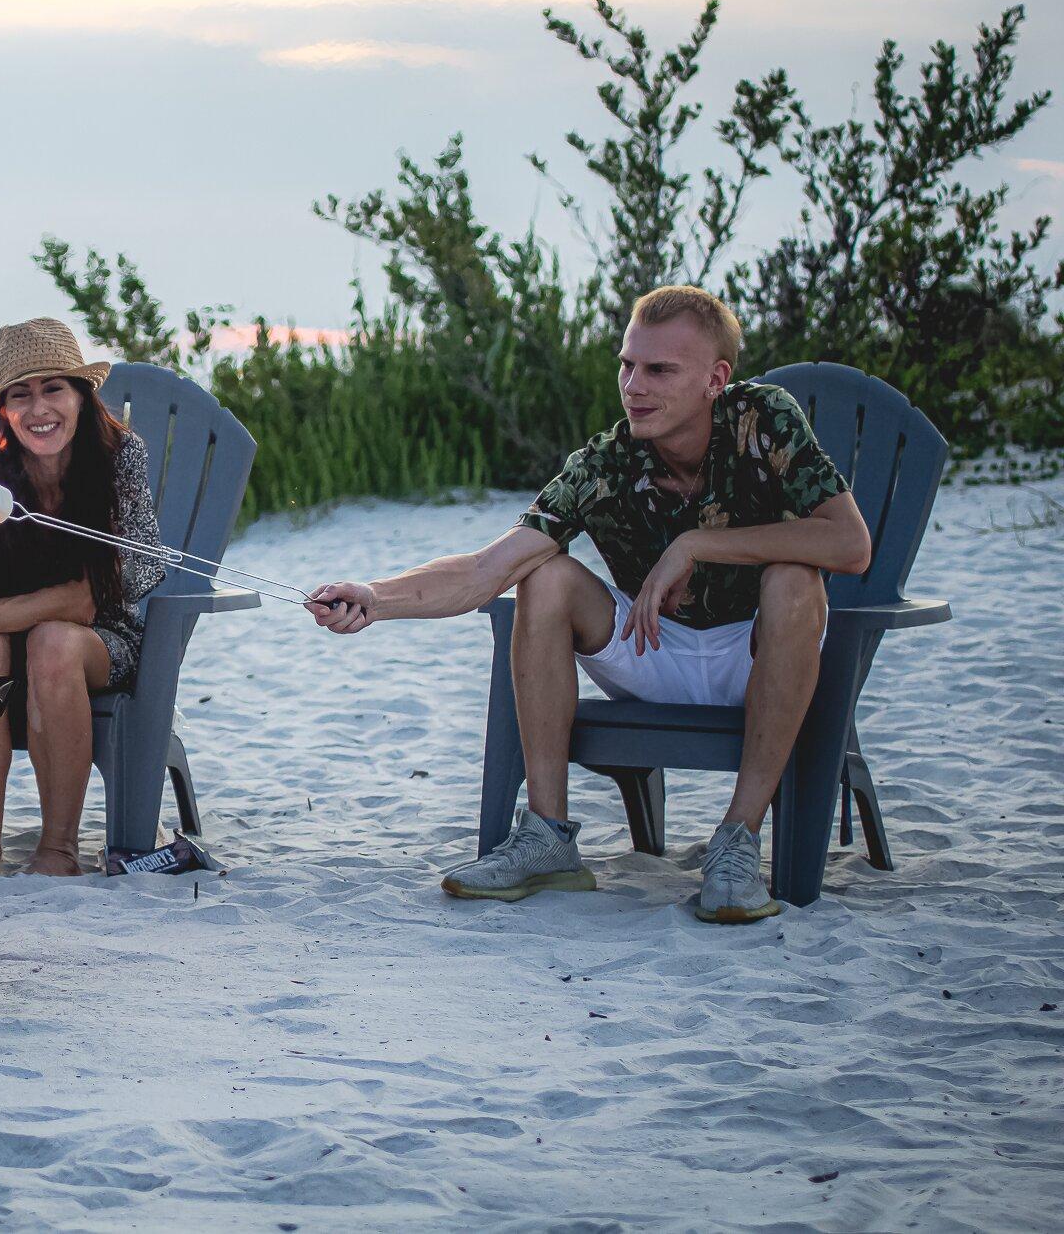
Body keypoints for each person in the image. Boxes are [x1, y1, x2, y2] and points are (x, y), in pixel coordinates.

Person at [307, 286, 872, 923]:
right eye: (628, 365)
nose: (635, 385)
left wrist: (697, 543)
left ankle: (737, 843)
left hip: (758, 653)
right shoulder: (606, 464)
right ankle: (549, 837)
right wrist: (374, 598)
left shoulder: (761, 421)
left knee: (796, 579)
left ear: (716, 379)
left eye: (660, 370)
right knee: (543, 577)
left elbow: (850, 545)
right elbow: (488, 568)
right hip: (651, 644)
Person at [0, 318, 165, 876]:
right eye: (21, 395)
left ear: (81, 396)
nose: (39, 409)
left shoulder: (119, 459)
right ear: (3, 412)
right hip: (4, 638)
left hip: (99, 639)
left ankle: (58, 849)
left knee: (54, 642)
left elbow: (91, 598)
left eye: (53, 388)